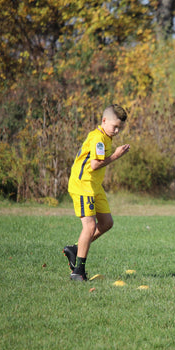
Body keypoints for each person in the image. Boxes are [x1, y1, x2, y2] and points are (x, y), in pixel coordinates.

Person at [62, 104, 131, 281]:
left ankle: (76, 249)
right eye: (114, 126)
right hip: (83, 184)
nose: (116, 131)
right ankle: (78, 271)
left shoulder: (106, 138)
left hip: (94, 185)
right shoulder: (98, 138)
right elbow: (94, 164)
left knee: (106, 222)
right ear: (104, 120)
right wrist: (116, 155)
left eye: (119, 128)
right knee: (90, 226)